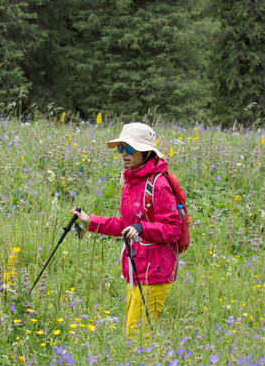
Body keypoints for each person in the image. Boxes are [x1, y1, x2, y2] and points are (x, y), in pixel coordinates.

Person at [72, 122, 182, 340]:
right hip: (137, 268)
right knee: (138, 334)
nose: (124, 153)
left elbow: (174, 229)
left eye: (130, 148)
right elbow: (125, 224)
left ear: (146, 151)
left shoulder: (158, 184)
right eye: (121, 148)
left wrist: (143, 228)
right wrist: (89, 220)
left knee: (137, 336)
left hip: (156, 271)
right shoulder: (132, 181)